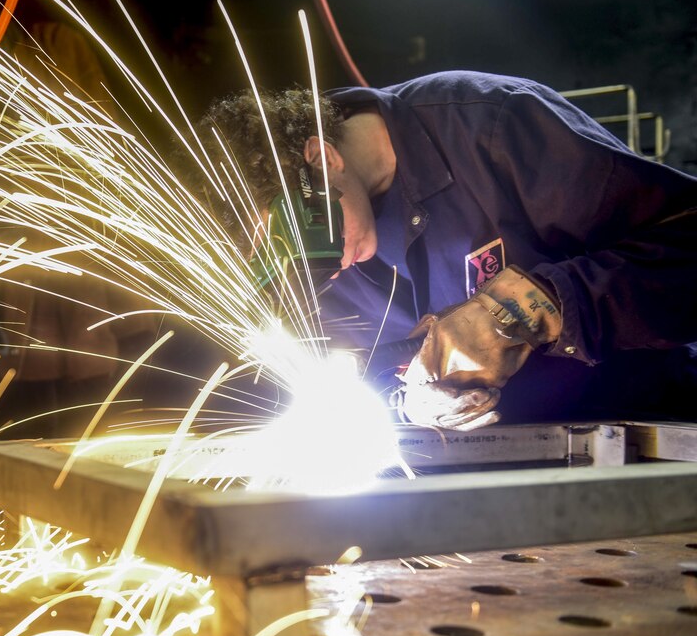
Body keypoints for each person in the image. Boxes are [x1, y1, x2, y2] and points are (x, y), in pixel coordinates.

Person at [199, 71, 697, 429]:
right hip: (500, 485)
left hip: (643, 438)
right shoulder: (324, 271)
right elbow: (371, 374)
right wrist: (409, 406)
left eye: (311, 244)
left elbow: (686, 246)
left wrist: (531, 309)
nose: (332, 269)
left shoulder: (489, 127)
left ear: (322, 160)